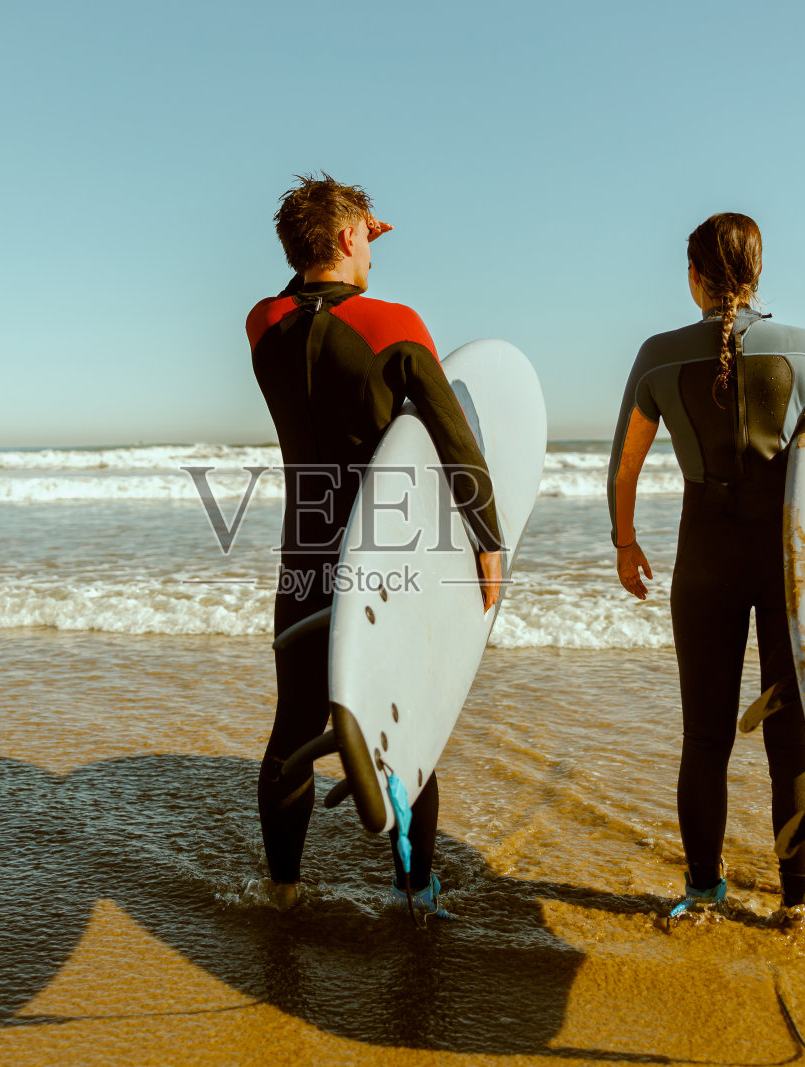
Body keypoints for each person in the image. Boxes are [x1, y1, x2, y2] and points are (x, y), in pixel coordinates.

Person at [607, 212, 805, 917]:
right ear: (757, 273)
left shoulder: (657, 356)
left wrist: (626, 541)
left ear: (694, 278)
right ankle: (794, 902)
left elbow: (623, 470)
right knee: (793, 739)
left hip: (703, 565)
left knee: (706, 735)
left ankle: (701, 889)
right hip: (788, 572)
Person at [246, 174, 504, 914]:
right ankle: (416, 889)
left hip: (305, 558)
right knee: (406, 722)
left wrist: (329, 243)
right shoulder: (393, 324)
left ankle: (284, 890)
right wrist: (487, 543)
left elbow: (298, 298)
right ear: (349, 236)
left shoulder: (263, 324)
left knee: (293, 725)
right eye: (364, 234)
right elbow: (454, 440)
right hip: (387, 562)